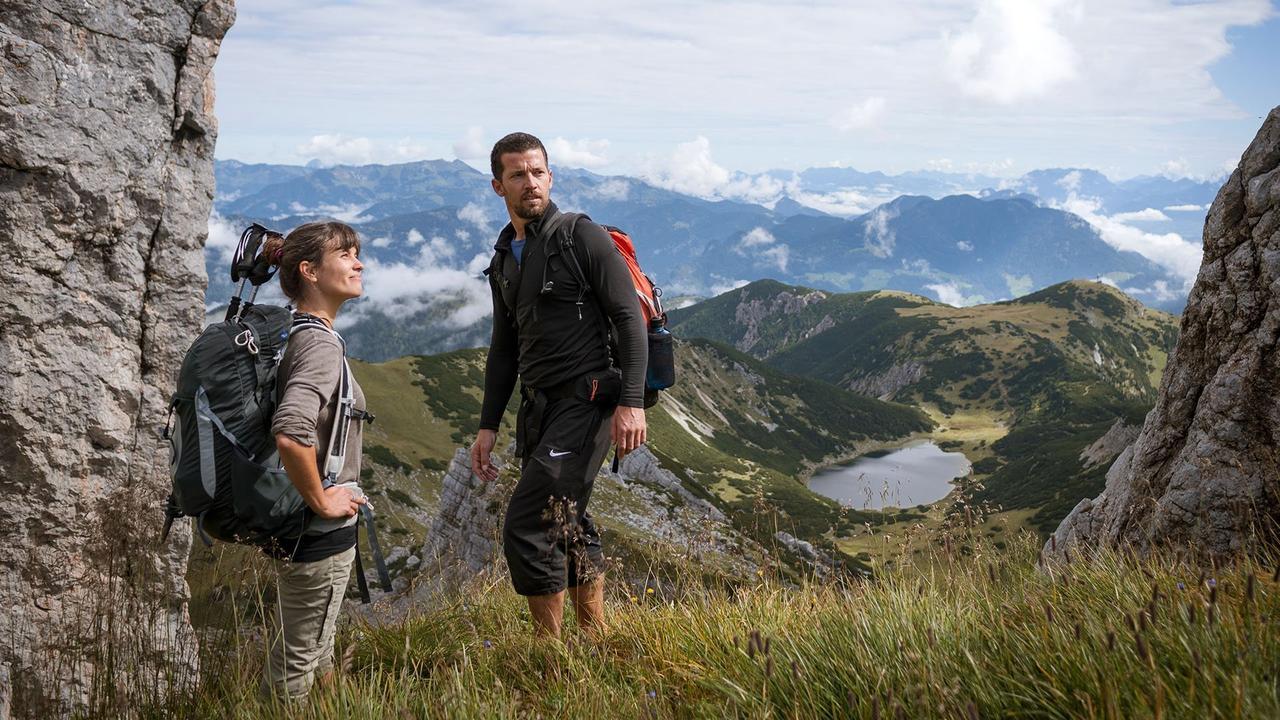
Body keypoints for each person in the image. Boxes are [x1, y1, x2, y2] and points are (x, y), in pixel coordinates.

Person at [470, 132, 648, 639]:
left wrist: (631, 403)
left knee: (529, 525)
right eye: (518, 174)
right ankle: (595, 638)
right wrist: (487, 426)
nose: (531, 183)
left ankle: (552, 654)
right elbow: (504, 350)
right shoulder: (506, 258)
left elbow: (628, 320)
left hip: (588, 403)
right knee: (568, 522)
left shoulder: (579, 237)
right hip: (540, 411)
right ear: (497, 185)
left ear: (551, 176)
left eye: (538, 172)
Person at [258, 221, 369, 699]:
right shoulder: (320, 343)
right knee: (292, 671)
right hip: (316, 531)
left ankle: (336, 706)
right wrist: (322, 500)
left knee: (316, 647)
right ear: (309, 271)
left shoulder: (292, 332)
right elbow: (291, 431)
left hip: (293, 524)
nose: (358, 263)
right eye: (345, 255)